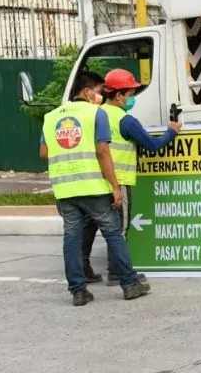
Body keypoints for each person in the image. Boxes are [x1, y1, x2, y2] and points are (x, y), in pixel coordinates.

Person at [39, 71, 149, 305]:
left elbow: (44, 153)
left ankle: (78, 291)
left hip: (65, 189)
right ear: (87, 91)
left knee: (71, 237)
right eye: (99, 91)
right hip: (94, 187)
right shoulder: (96, 113)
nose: (101, 96)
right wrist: (115, 187)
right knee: (113, 233)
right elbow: (103, 152)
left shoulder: (51, 117)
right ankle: (130, 284)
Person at [81, 68, 182, 285]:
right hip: (119, 182)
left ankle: (83, 270)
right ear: (119, 96)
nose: (132, 98)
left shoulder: (94, 114)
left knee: (89, 225)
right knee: (119, 229)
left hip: (94, 181)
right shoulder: (126, 121)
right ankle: (117, 272)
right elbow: (152, 145)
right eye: (130, 94)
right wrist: (172, 132)